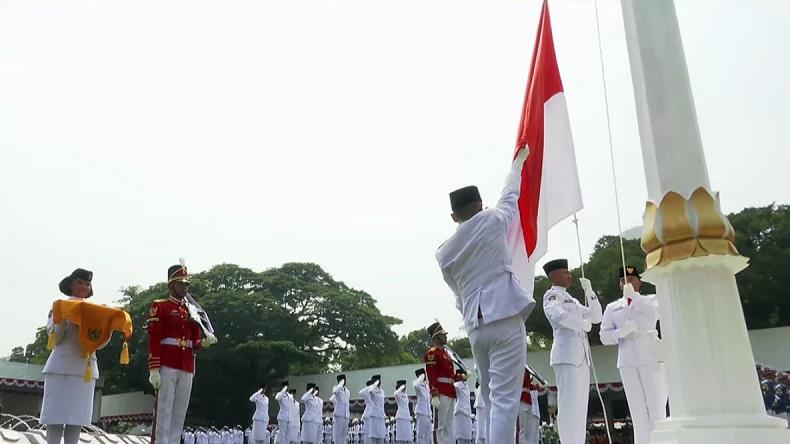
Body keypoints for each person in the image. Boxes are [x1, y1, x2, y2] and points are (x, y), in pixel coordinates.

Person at [435, 148, 533, 444]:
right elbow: (509, 199)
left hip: (476, 327)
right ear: (481, 204)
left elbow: (458, 296)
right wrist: (515, 167)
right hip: (504, 315)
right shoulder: (491, 220)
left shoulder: (444, 253)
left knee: (490, 400)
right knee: (505, 402)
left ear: (454, 216)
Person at [148, 263, 217, 444]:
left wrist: (204, 343)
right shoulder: (160, 306)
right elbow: (154, 339)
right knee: (163, 411)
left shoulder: (191, 310)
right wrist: (154, 369)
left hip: (187, 364)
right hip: (167, 364)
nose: (185, 287)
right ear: (171, 285)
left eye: (187, 284)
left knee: (179, 413)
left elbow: (195, 342)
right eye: (181, 283)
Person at [599, 266, 667, 444]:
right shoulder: (613, 307)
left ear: (639, 281)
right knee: (637, 410)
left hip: (650, 356)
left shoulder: (651, 299)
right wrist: (622, 332)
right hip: (627, 359)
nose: (627, 283)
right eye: (623, 280)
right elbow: (604, 336)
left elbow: (657, 313)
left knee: (656, 406)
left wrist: (635, 297)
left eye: (631, 279)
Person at [41, 269, 108, 444]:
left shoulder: (96, 311)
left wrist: (106, 331)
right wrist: (63, 316)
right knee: (54, 419)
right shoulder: (59, 306)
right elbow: (55, 338)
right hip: (61, 368)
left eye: (87, 283)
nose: (84, 286)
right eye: (80, 282)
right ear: (71, 284)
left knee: (76, 421)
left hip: (84, 370)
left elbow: (98, 344)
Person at [542, 258, 602, 444]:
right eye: (565, 272)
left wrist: (590, 292)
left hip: (581, 358)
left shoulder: (573, 300)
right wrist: (580, 324)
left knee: (580, 407)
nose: (569, 275)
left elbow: (596, 316)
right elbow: (557, 315)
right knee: (568, 406)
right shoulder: (552, 296)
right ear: (554, 275)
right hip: (566, 356)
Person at [423, 322, 456, 444]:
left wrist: (461, 376)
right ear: (436, 337)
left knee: (449, 424)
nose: (446, 337)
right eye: (443, 335)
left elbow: (449, 375)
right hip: (441, 392)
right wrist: (434, 394)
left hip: (450, 391)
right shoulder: (433, 353)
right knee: (440, 426)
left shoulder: (446, 354)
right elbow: (432, 375)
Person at [360, 376, 386, 444]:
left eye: (380, 380)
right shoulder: (371, 390)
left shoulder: (382, 391)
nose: (379, 382)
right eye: (378, 380)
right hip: (372, 414)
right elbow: (362, 392)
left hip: (380, 415)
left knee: (381, 436)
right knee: (371, 435)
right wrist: (373, 385)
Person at [517, 369, 539, 444]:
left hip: (528, 400)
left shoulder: (528, 370)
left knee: (528, 428)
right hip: (521, 398)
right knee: (522, 429)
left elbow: (530, 385)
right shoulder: (519, 369)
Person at [412, 369, 432, 444]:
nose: (425, 376)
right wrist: (421, 377)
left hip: (428, 412)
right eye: (423, 374)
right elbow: (416, 385)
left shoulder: (426, 386)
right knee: (420, 433)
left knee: (428, 434)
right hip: (421, 412)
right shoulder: (417, 384)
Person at [452, 369, 473, 444]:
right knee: (461, 437)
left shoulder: (466, 385)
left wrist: (465, 375)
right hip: (460, 412)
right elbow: (452, 383)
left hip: (467, 412)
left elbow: (470, 374)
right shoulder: (457, 385)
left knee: (467, 437)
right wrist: (459, 376)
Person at [333, 374, 351, 444]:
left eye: (345, 379)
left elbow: (347, 403)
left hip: (346, 415)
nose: (345, 381)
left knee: (344, 435)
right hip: (339, 415)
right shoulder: (336, 388)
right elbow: (334, 391)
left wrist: (348, 415)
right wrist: (340, 384)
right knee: (338, 435)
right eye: (343, 380)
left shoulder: (347, 391)